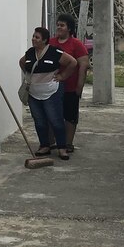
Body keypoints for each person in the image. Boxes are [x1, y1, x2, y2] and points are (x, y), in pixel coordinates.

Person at [20, 26, 78, 161]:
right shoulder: (29, 53)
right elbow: (22, 62)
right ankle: (44, 145)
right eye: (33, 36)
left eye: (37, 37)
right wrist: (29, 76)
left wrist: (62, 76)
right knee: (39, 121)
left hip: (51, 92)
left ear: (44, 40)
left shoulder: (54, 52)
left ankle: (62, 148)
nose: (34, 39)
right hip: (33, 94)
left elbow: (72, 62)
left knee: (56, 120)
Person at [46, 14, 90, 153]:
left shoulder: (76, 44)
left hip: (70, 86)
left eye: (62, 25)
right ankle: (51, 142)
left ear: (69, 28)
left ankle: (68, 143)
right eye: (58, 24)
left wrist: (80, 86)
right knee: (51, 115)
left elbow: (83, 65)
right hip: (51, 87)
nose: (59, 27)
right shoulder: (51, 42)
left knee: (70, 116)